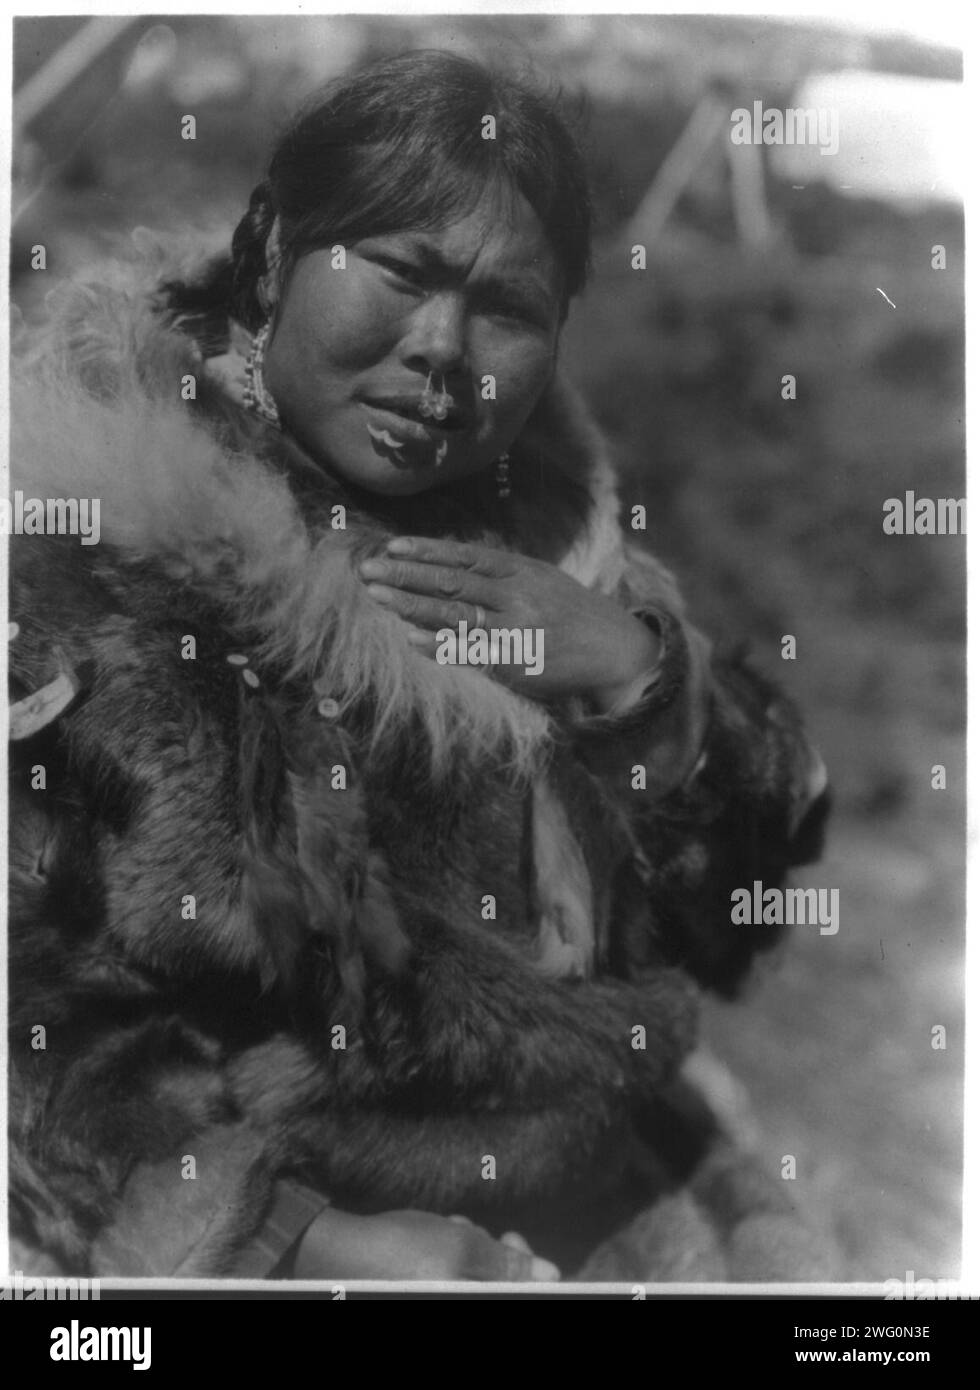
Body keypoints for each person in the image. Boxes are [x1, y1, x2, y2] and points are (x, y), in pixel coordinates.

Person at [7, 50, 829, 1282]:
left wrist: (639, 685)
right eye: (400, 272)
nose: (443, 348)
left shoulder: (557, 532)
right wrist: (306, 1239)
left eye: (507, 309)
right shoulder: (91, 558)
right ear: (276, 250)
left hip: (612, 1181)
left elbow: (733, 923)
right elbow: (46, 1036)